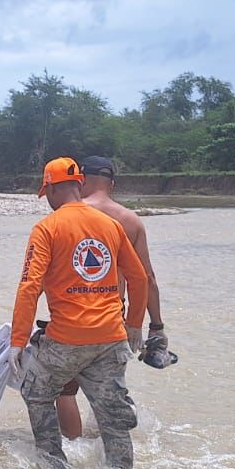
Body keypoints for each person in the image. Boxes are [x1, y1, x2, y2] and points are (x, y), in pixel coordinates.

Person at [9, 157, 149, 469]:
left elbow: (30, 286)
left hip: (65, 340)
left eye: (47, 193)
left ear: (55, 187)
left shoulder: (47, 227)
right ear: (79, 184)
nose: (48, 201)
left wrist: (17, 341)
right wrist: (134, 324)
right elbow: (139, 278)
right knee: (113, 416)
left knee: (37, 393)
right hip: (111, 338)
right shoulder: (111, 225)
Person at [55, 155, 167, 437]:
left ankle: (75, 452)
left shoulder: (66, 217)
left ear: (80, 181)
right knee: (109, 392)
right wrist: (155, 327)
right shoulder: (131, 221)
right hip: (113, 318)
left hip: (71, 317)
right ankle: (112, 456)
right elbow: (146, 278)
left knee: (66, 392)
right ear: (112, 184)